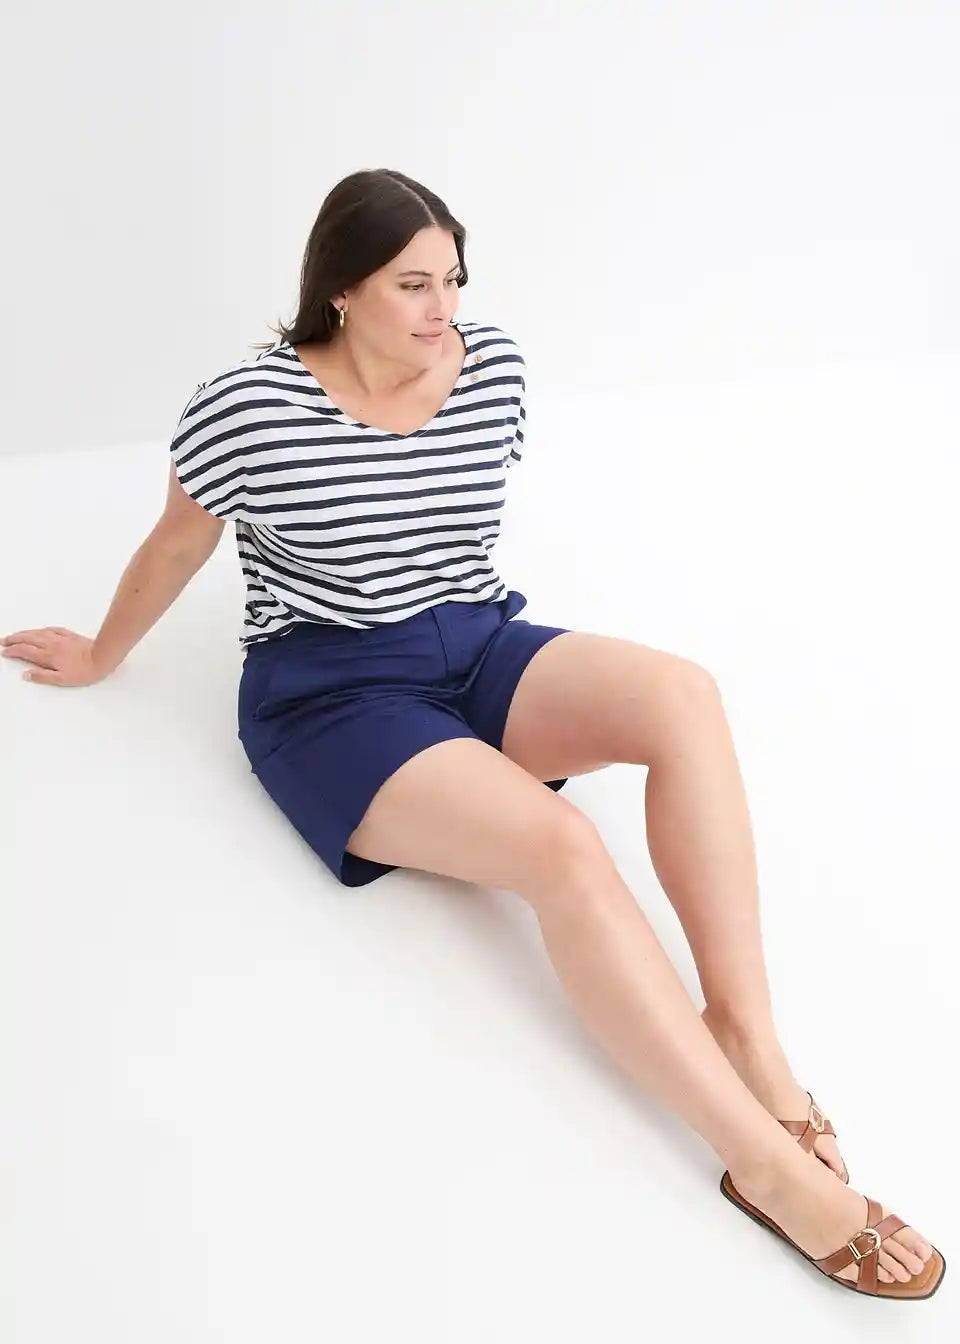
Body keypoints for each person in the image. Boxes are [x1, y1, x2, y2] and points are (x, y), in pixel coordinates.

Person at [1, 168, 944, 1300]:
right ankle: (767, 1170)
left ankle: (748, 1034)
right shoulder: (249, 406)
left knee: (683, 696)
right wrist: (103, 653)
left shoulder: (491, 367)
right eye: (412, 284)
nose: (442, 307)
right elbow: (175, 544)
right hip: (332, 692)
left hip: (475, 640)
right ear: (340, 289)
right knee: (561, 849)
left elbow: (444, 542)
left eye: (453, 278)